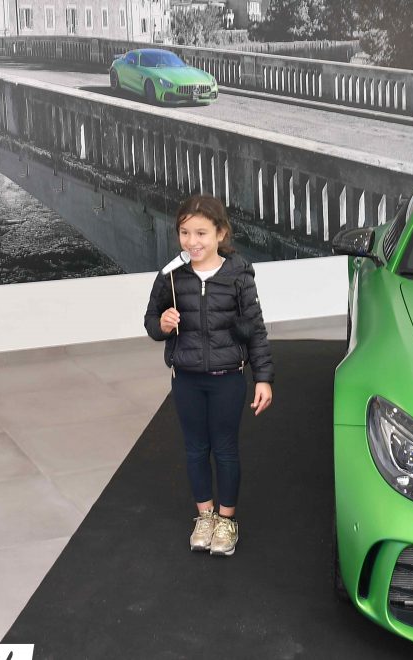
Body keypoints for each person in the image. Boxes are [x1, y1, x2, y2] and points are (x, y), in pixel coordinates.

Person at [143, 195, 273, 557]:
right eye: (185, 233)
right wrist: (163, 325)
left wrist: (263, 377)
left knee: (225, 448)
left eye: (201, 233)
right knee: (196, 448)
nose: (192, 242)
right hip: (186, 378)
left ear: (220, 233)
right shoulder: (171, 276)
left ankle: (227, 521)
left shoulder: (238, 275)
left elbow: (256, 330)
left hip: (228, 378)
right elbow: (151, 321)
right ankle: (205, 516)